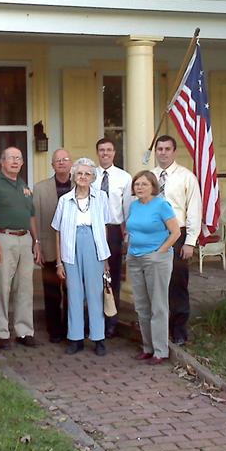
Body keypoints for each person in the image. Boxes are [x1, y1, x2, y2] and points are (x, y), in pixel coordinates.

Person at [0, 147, 42, 349]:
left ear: (22, 163)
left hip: (25, 240)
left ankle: (24, 332)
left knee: (25, 287)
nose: (15, 161)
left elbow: (31, 216)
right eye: (11, 158)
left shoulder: (24, 187)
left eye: (19, 158)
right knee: (2, 287)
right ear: (2, 162)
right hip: (3, 238)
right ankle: (2, 333)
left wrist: (36, 242)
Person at [51, 158, 111, 356]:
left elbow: (105, 228)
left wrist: (105, 259)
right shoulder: (64, 200)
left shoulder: (101, 197)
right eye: (79, 173)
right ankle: (75, 338)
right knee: (74, 293)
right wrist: (59, 262)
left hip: (93, 245)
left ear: (93, 177)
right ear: (73, 176)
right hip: (71, 245)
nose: (83, 177)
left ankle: (98, 338)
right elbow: (58, 231)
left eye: (87, 174)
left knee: (95, 293)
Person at [126, 171, 181, 364]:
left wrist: (160, 252)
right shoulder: (133, 206)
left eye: (144, 184)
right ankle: (147, 347)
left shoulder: (161, 205)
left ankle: (160, 350)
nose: (139, 187)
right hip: (135, 258)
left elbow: (175, 232)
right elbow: (131, 230)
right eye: (137, 184)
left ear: (153, 186)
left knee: (158, 305)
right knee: (142, 306)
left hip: (156, 259)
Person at [152, 135, 202, 345]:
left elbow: (194, 210)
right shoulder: (150, 176)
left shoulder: (186, 177)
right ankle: (159, 328)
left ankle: (179, 329)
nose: (162, 153)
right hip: (154, 234)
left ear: (174, 152)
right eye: (159, 149)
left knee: (177, 282)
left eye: (167, 149)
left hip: (178, 235)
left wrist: (190, 241)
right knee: (155, 283)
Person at [94, 137, 132, 338]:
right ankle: (94, 319)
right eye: (101, 150)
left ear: (114, 153)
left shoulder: (124, 178)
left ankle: (111, 320)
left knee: (113, 276)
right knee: (94, 275)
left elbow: (127, 209)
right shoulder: (90, 175)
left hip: (114, 230)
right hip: (93, 229)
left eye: (109, 150)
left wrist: (127, 235)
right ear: (97, 153)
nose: (105, 153)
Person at [33, 149, 73, 343]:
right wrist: (37, 244)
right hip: (49, 246)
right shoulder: (40, 188)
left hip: (74, 248)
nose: (62, 163)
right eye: (58, 160)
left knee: (72, 291)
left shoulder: (81, 185)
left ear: (71, 163)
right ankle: (54, 330)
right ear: (52, 165)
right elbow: (37, 218)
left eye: (65, 160)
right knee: (51, 291)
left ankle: (71, 328)